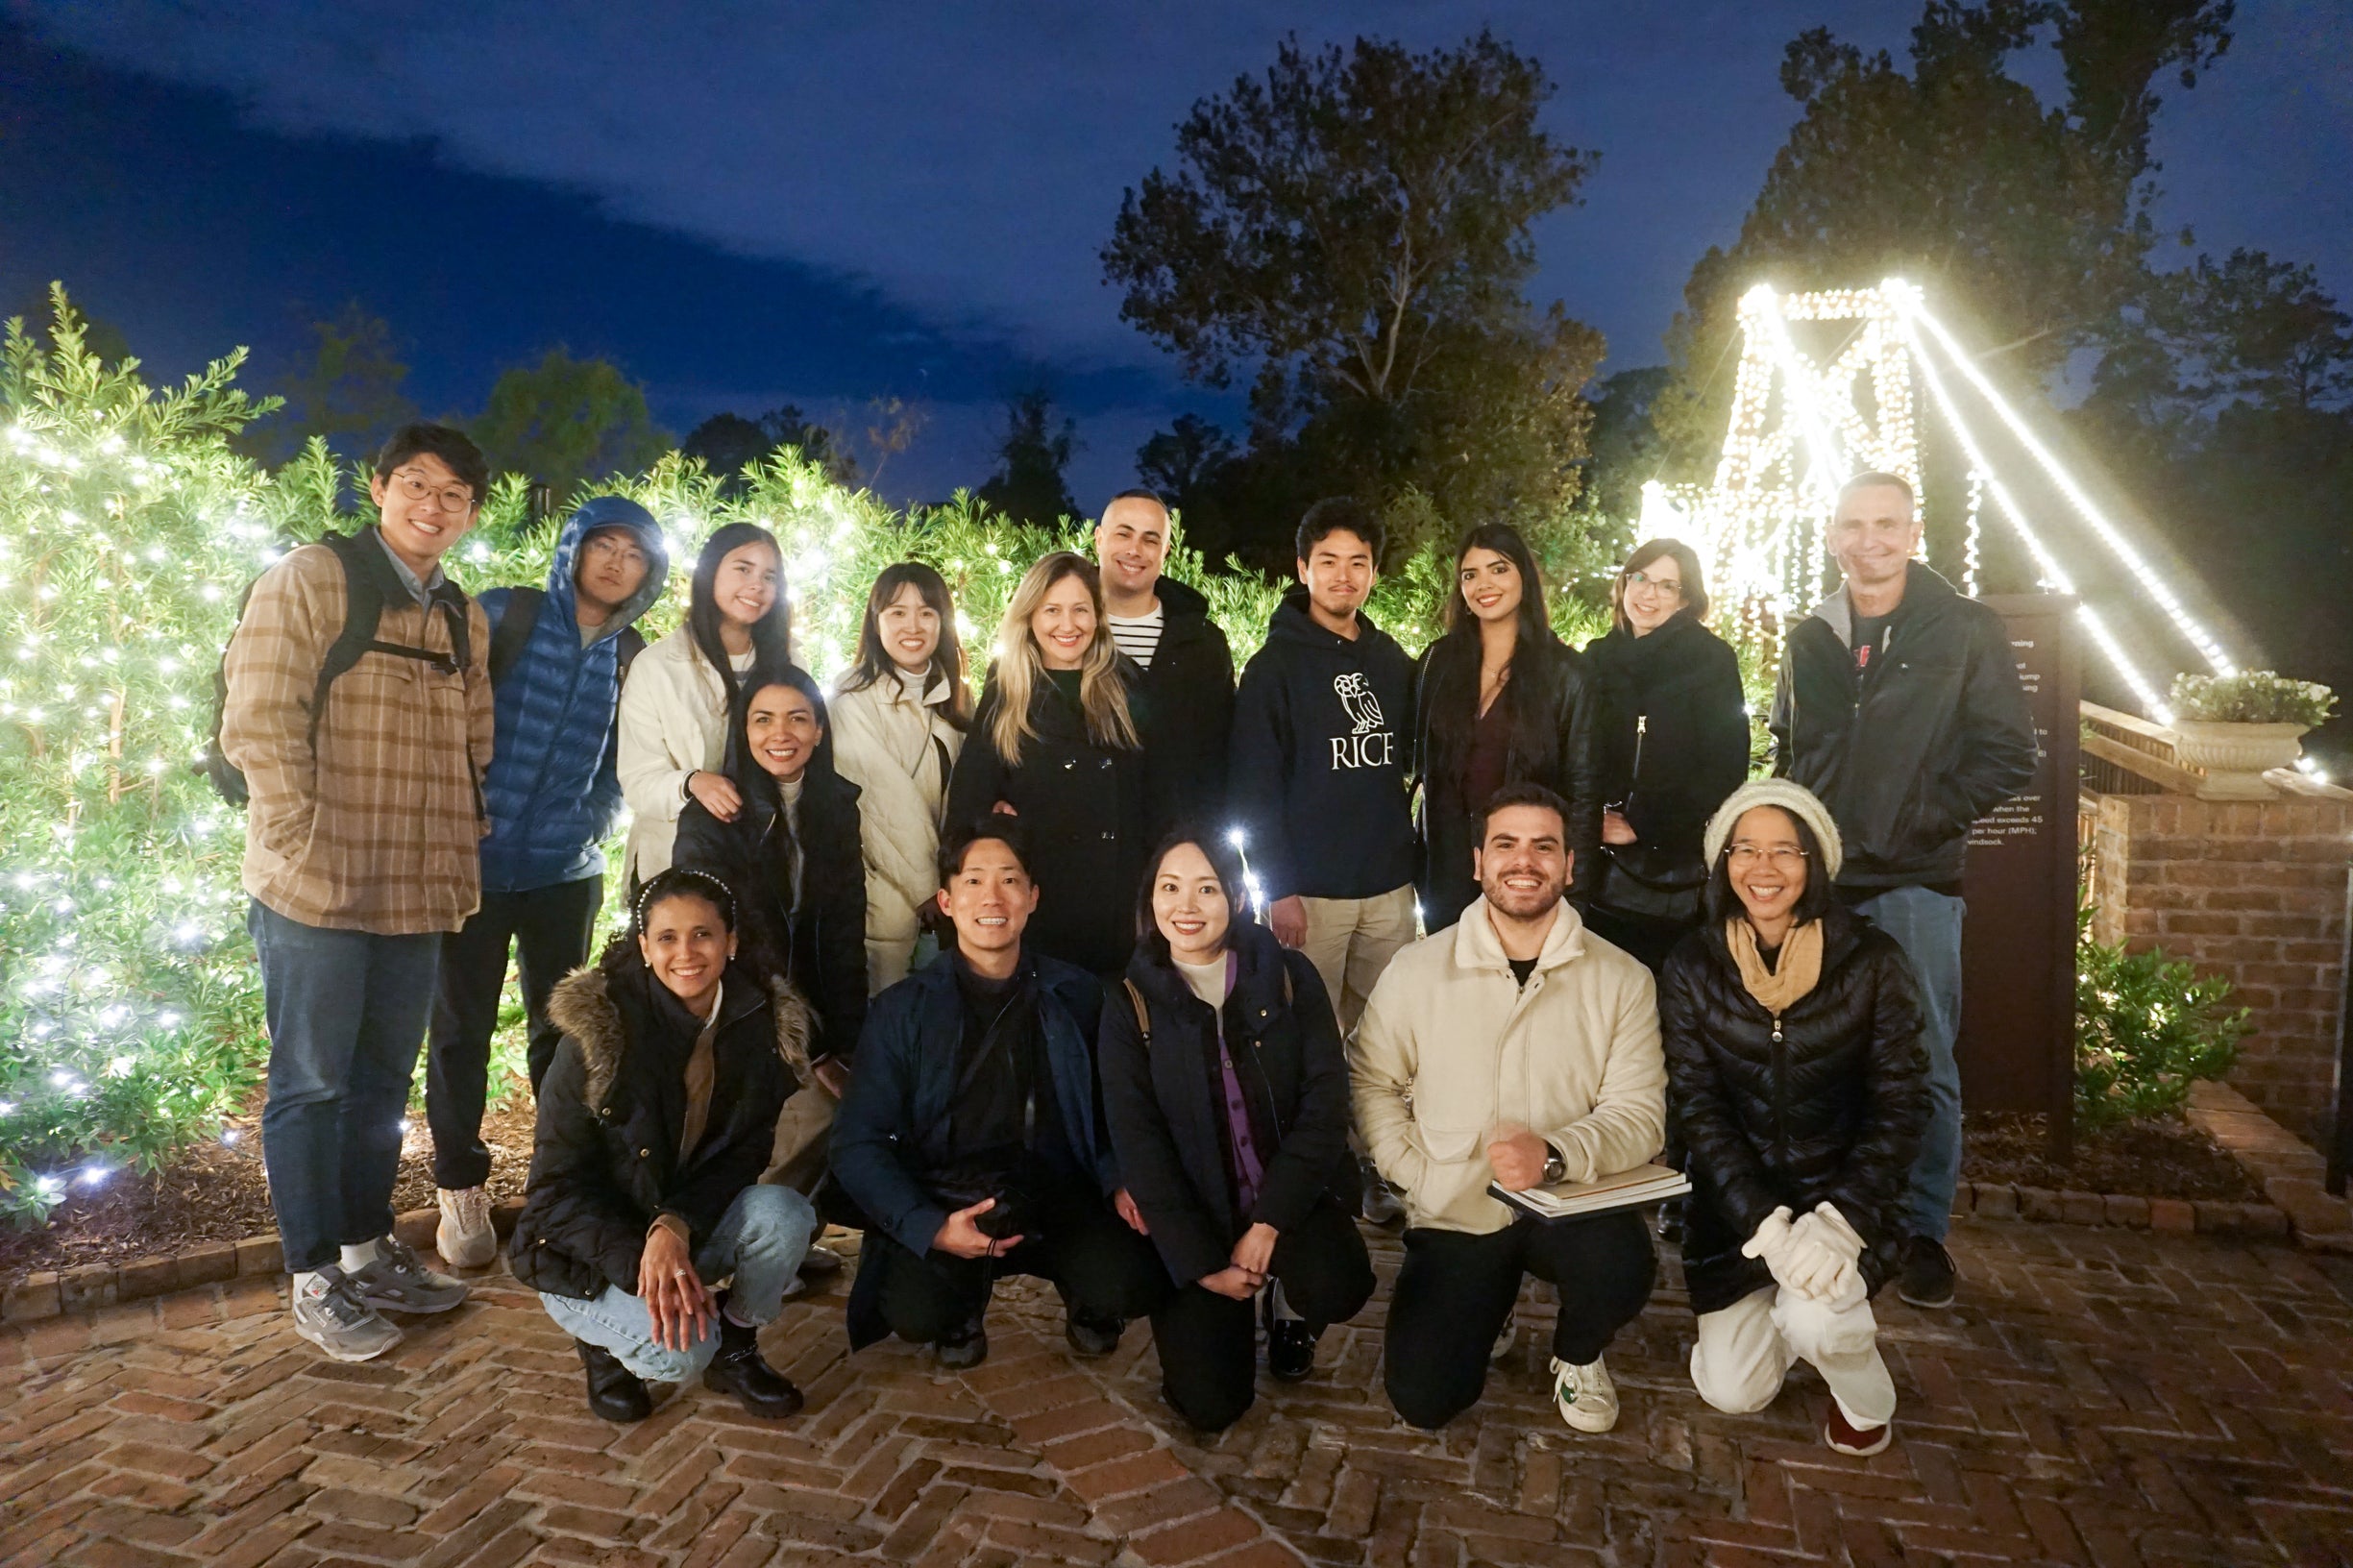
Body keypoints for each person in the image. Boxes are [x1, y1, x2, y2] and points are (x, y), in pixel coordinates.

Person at [219, 422, 494, 1361]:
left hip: (415, 894)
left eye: (453, 494)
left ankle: (368, 1248)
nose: (432, 505)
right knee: (310, 1083)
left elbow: (475, 737)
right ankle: (313, 1276)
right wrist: (301, 844)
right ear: (377, 488)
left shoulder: (462, 612)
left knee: (381, 1086)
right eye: (415, 484)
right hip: (317, 893)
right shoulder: (311, 579)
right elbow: (257, 723)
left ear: (469, 513)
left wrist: (463, 832)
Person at [1770, 472, 2035, 1310]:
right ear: (1831, 534)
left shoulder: (1962, 629)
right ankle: (1833, 1216)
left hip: (1914, 884)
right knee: (1815, 1058)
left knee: (1918, 1060)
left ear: (1913, 533)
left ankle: (1918, 1231)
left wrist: (1921, 820)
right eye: (1853, 524)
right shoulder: (1809, 636)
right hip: (1822, 885)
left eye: (1885, 523)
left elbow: (2007, 754)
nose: (1869, 539)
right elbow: (1789, 750)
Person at [1352, 784, 1665, 1433]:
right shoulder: (1415, 970)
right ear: (1476, 863)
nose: (1524, 861)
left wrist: (1554, 1155)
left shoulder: (1623, 979)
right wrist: (1413, 1171)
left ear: (1569, 866)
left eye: (1543, 846)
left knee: (1622, 1268)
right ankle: (1488, 1304)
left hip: (1569, 1202)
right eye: (1505, 845)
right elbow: (1370, 1079)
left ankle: (1576, 1353)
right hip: (1456, 1205)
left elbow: (1639, 1115)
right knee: (1424, 1400)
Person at [426, 496, 670, 1269]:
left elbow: (619, 763)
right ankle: (459, 1187)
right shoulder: (505, 615)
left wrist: (590, 821)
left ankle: (555, 1183)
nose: (615, 564)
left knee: (560, 1031)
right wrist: (460, 806)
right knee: (459, 1030)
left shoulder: (634, 652)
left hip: (566, 872)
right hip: (473, 863)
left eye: (634, 554)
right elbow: (440, 712)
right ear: (574, 547)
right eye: (603, 545)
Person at [830, 821, 1168, 1370]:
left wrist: (1119, 1179)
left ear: (1032, 897)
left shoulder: (1077, 993)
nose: (992, 897)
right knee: (917, 1313)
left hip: (1059, 1192)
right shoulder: (902, 1010)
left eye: (1010, 880)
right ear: (946, 900)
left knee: (1132, 1279)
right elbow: (856, 1142)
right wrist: (930, 1226)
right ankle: (961, 1304)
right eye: (974, 881)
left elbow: (1116, 1110)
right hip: (952, 1196)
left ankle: (1086, 1296)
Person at [1661, 781, 1929, 1457]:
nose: (1764, 868)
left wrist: (1840, 1223)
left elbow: (1900, 1104)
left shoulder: (1873, 962)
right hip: (1739, 1222)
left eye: (1786, 851)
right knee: (1731, 1392)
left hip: (1845, 1204)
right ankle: (1785, 1309)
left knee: (1818, 1321)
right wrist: (1767, 1229)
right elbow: (1698, 1110)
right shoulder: (1692, 966)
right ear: (1723, 863)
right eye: (1744, 850)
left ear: (1815, 863)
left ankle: (1866, 1400)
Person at [509, 869, 817, 1424]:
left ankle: (736, 1344)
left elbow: (744, 1155)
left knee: (786, 1214)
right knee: (677, 1357)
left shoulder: (759, 1025)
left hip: (681, 1225)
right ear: (645, 948)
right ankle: (602, 1347)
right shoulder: (597, 1036)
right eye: (668, 938)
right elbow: (553, 1192)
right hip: (583, 1252)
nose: (687, 953)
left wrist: (675, 1224)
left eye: (703, 934)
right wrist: (643, 1263)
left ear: (731, 943)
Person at [1099, 831, 1374, 1432]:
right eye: (1170, 889)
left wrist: (1271, 1221)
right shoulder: (1129, 1001)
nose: (1187, 906)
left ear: (1236, 898)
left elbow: (1326, 1104)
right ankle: (1203, 1308)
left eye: (1207, 888)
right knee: (1212, 1406)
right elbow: (1139, 1142)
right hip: (1200, 1215)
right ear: (1150, 900)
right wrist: (1201, 1264)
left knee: (1338, 1284)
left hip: (1286, 1202)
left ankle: (1287, 1304)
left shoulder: (1288, 975)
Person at [674, 667, 866, 1244]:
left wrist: (850, 1045)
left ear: (819, 730)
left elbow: (842, 934)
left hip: (810, 1011)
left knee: (866, 1102)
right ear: (743, 731)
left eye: (797, 718)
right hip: (736, 1010)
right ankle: (734, 1250)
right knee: (811, 1113)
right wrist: (816, 1047)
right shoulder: (713, 817)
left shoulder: (835, 806)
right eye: (763, 719)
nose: (779, 734)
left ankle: (788, 1238)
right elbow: (735, 946)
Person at [1227, 498, 1418, 1030]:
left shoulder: (1390, 661)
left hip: (1388, 890)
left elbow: (1414, 753)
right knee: (1308, 1032)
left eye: (1358, 562)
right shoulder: (1273, 670)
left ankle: (1374, 1120)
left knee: (1388, 1032)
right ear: (1303, 569)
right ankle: (1321, 1120)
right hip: (1310, 897)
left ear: (1374, 574)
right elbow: (1254, 787)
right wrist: (1281, 888)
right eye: (1329, 561)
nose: (1344, 575)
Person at [944, 551, 1157, 978]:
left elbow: (1152, 792)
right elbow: (971, 801)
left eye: (1080, 609)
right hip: (1039, 903)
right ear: (1030, 616)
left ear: (1097, 616)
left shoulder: (1126, 682)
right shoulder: (1006, 687)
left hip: (1117, 902)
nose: (1067, 625)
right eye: (1052, 610)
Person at [1412, 523, 1605, 934]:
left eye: (1498, 569)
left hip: (1525, 867)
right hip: (1448, 868)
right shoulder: (1438, 662)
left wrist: (1575, 897)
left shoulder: (1567, 674)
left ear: (1524, 578)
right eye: (1470, 574)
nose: (1484, 583)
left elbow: (1584, 795)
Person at [1581, 538, 1751, 973]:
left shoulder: (1708, 661)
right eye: (1640, 578)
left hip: (1668, 864)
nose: (1648, 593)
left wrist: (1642, 824)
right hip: (1592, 863)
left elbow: (1725, 766)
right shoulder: (1598, 658)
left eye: (1666, 585)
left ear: (1687, 598)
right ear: (1624, 582)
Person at [619, 522, 793, 887]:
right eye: (743, 569)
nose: (757, 585)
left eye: (770, 576)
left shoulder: (789, 665)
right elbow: (638, 780)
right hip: (675, 863)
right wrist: (691, 783)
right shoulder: (658, 666)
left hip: (765, 861)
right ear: (711, 570)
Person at [830, 563, 970, 992]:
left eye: (927, 612)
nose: (913, 625)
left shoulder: (956, 695)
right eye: (896, 612)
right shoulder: (850, 697)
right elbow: (880, 801)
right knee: (889, 1024)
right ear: (875, 622)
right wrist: (932, 887)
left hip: (949, 903)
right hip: (886, 904)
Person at [1094, 489, 1236, 822]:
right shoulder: (1061, 633)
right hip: (1074, 849)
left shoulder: (1204, 644)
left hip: (1176, 853)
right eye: (1124, 534)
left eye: (1150, 539)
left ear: (1166, 551)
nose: (1135, 549)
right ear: (1099, 539)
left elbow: (1223, 753)